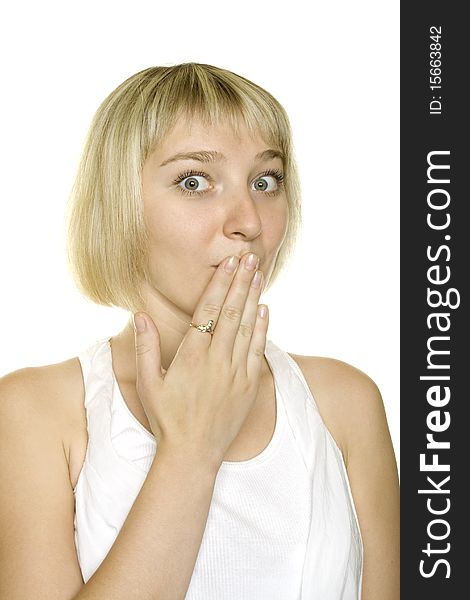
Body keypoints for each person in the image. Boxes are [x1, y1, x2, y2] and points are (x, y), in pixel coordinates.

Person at [0, 63, 399, 599]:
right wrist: (190, 450)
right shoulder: (34, 412)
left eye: (266, 181)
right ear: (121, 206)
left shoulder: (346, 403)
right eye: (194, 182)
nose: (249, 221)